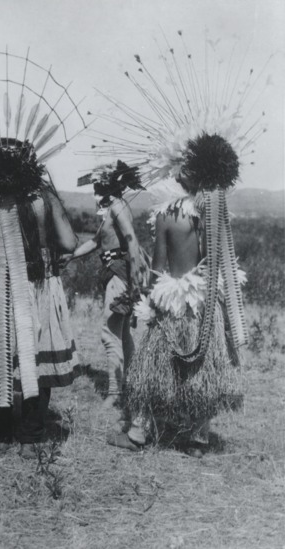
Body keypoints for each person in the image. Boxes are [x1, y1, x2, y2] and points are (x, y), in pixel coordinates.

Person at [108, 134, 247, 456]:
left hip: (174, 301)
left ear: (190, 174)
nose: (175, 174)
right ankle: (198, 438)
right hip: (206, 300)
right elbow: (216, 261)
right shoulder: (215, 214)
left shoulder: (167, 215)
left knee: (154, 368)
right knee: (203, 370)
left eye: (181, 169)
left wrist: (147, 298)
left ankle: (139, 432)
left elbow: (158, 267)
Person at [0, 138, 81, 458]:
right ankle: (30, 436)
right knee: (37, 358)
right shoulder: (44, 197)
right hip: (39, 286)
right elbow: (70, 243)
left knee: (1, 355)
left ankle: (3, 434)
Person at [62, 161, 149, 407]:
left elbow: (131, 241)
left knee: (110, 333)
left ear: (107, 186)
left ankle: (115, 392)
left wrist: (133, 282)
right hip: (117, 272)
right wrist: (72, 255)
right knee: (121, 333)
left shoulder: (118, 208)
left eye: (98, 185)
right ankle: (131, 385)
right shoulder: (112, 208)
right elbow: (98, 241)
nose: (94, 191)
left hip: (120, 273)